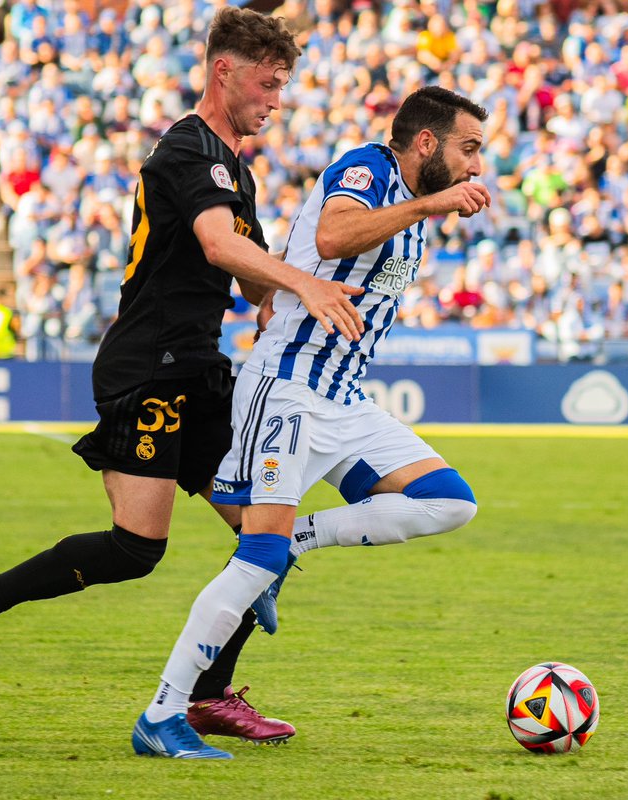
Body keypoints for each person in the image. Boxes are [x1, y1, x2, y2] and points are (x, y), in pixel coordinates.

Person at [0, 6, 363, 755]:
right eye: (268, 83)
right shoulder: (189, 150)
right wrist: (295, 282)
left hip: (200, 371)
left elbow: (248, 279)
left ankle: (208, 697)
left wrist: (299, 288)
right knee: (135, 549)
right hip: (147, 367)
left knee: (268, 538)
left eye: (283, 87)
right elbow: (219, 245)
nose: (276, 101)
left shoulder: (234, 168)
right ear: (224, 70)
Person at [134, 86, 489, 760]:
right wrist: (431, 202)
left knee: (448, 502)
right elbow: (331, 234)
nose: (476, 166)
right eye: (468, 149)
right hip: (290, 388)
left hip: (343, 397)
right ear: (425, 143)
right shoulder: (368, 168)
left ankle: (295, 541)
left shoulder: (410, 201)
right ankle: (162, 713)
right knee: (254, 556)